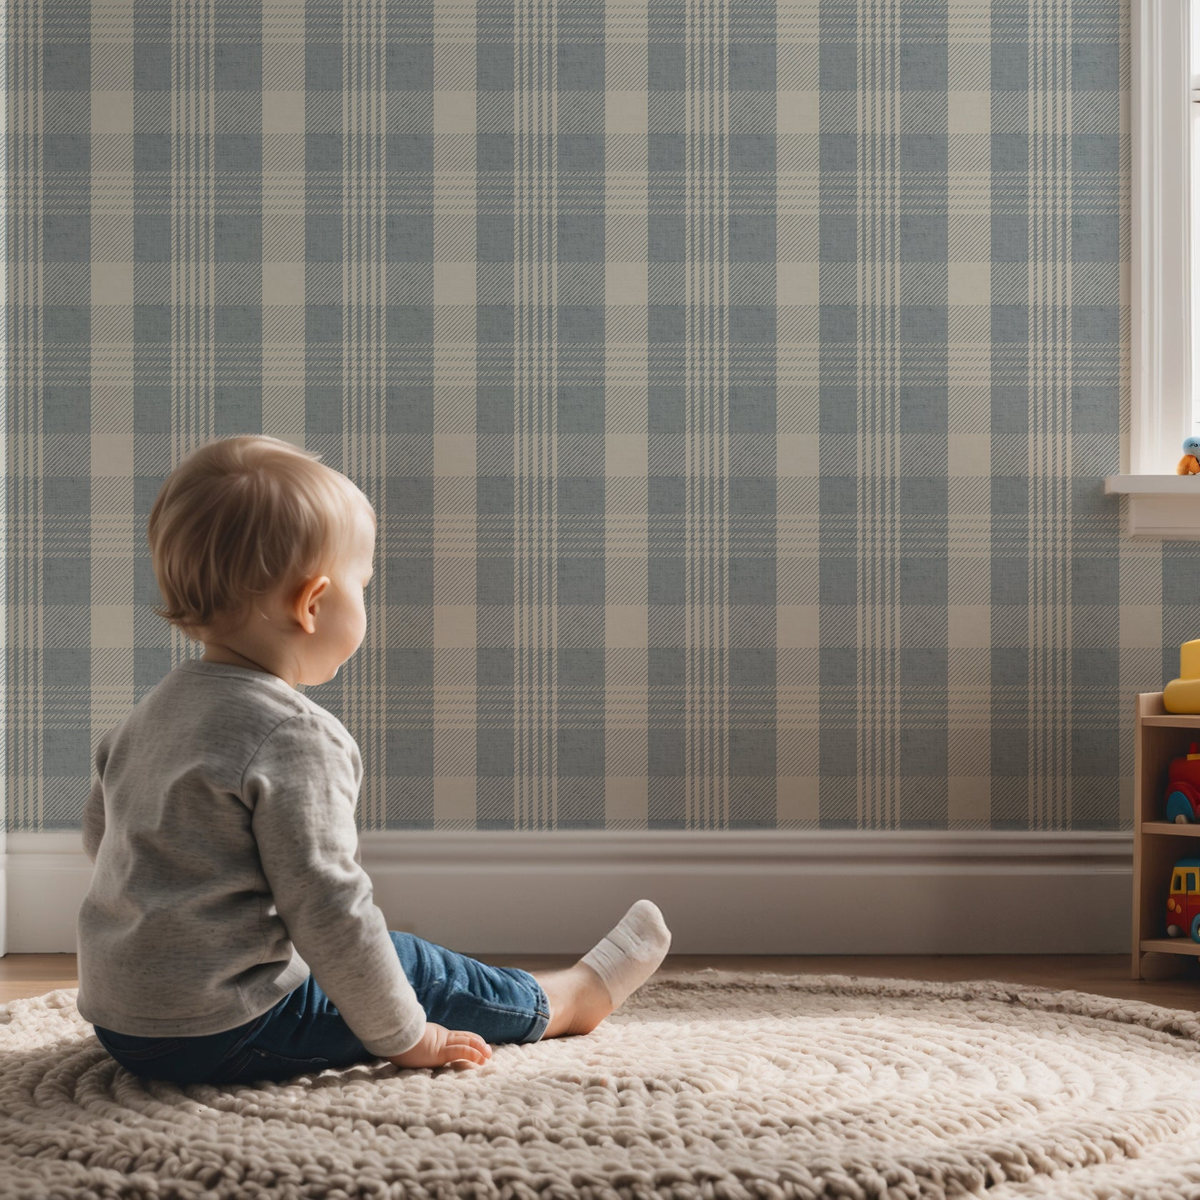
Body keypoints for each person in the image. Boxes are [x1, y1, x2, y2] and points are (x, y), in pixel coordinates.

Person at [76, 434, 672, 1086]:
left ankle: (549, 993)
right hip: (229, 1027)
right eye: (363, 585)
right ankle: (562, 1000)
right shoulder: (292, 735)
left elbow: (107, 841)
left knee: (371, 962)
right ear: (312, 604)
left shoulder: (151, 713)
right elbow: (330, 907)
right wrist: (406, 1035)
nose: (366, 601)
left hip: (122, 1023)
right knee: (409, 965)